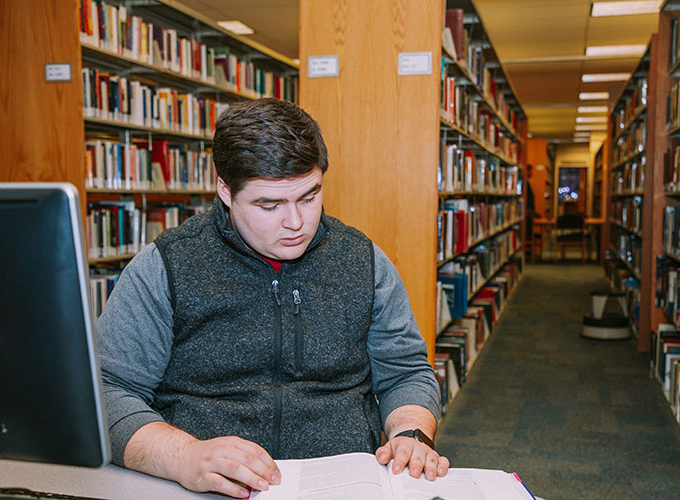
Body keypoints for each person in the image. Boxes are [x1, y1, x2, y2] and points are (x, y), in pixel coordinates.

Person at [96, 98, 448, 498]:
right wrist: (184, 456)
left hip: (345, 483)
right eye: (269, 204)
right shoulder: (166, 265)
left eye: (309, 197)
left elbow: (405, 372)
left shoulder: (363, 260)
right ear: (226, 191)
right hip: (204, 489)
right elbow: (107, 391)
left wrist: (411, 433)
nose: (296, 223)